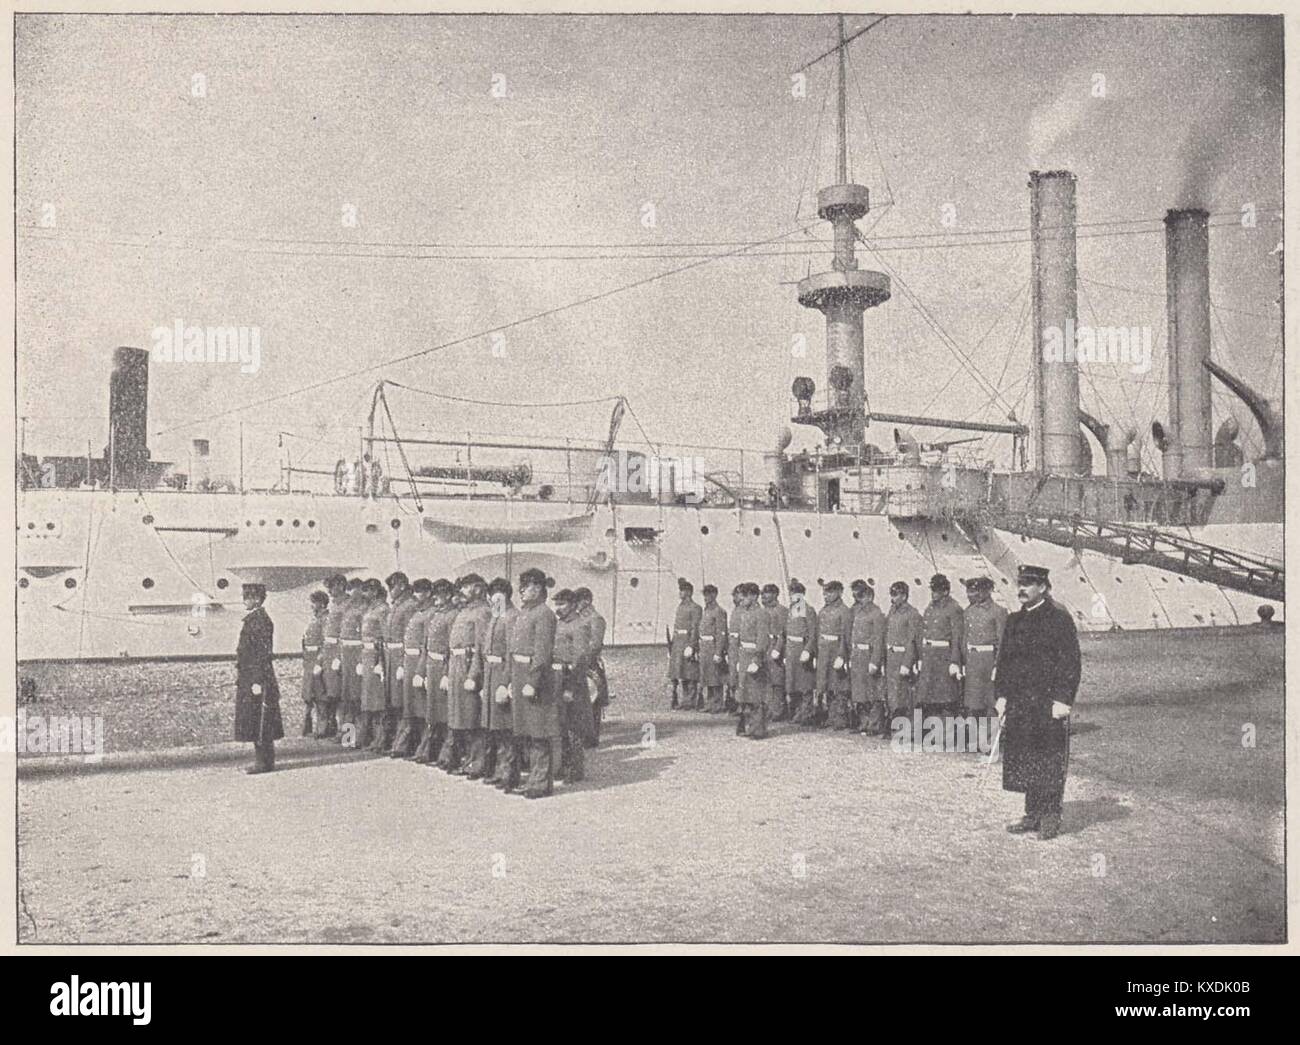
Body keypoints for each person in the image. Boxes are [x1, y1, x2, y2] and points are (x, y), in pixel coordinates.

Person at [996, 565, 1081, 841]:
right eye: (1020, 583)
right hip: (1021, 704)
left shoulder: (1059, 619)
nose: (1021, 588)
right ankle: (1031, 813)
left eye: (1028, 584)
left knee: (1049, 758)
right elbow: (1005, 662)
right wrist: (1002, 695)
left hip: (1047, 704)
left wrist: (1063, 699)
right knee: (1025, 757)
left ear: (1043, 587)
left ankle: (1050, 816)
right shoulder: (1013, 621)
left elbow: (1070, 663)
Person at [509, 568, 560, 798]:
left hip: (535, 679)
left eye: (526, 586)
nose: (521, 590)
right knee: (527, 731)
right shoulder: (526, 613)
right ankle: (533, 779)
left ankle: (540, 783)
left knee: (539, 732)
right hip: (520, 675)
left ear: (538, 588)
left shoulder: (544, 615)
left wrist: (533, 680)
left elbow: (542, 652)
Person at [442, 574, 491, 774]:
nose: (461, 591)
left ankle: (477, 763)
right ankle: (463, 759)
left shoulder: (483, 613)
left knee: (472, 717)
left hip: (469, 666)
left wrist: (474, 675)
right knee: (458, 716)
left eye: (466, 587)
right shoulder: (464, 612)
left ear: (478, 589)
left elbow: (481, 648)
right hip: (456, 665)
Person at [234, 583, 283, 774]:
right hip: (251, 676)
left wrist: (257, 680)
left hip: (257, 678)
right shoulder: (254, 619)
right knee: (255, 719)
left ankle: (264, 763)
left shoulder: (260, 620)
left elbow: (262, 654)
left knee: (261, 720)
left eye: (247, 596)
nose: (244, 599)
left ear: (256, 599)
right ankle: (262, 760)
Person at [479, 577, 520, 787]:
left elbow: (512, 653)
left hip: (502, 675)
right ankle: (497, 769)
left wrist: (505, 683)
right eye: (492, 593)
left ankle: (509, 774)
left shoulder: (512, 617)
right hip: (490, 675)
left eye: (497, 593)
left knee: (505, 727)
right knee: (493, 727)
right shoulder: (496, 616)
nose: (493, 598)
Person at [553, 588, 595, 783]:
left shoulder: (579, 625)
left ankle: (575, 769)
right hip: (558, 677)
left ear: (571, 604)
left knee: (573, 729)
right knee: (561, 726)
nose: (558, 608)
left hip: (572, 679)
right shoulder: (559, 624)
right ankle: (562, 766)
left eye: (561, 604)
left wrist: (570, 687)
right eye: (557, 604)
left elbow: (580, 659)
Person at [390, 578, 434, 758]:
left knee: (422, 707)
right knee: (409, 705)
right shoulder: (417, 612)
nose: (416, 595)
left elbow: (426, 644)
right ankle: (407, 745)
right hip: (409, 660)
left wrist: (421, 670)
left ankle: (422, 748)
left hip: (419, 661)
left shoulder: (429, 613)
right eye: (415, 591)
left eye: (420, 592)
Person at [413, 579, 456, 764]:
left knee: (445, 713)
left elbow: (451, 649)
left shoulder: (452, 616)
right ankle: (428, 750)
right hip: (431, 666)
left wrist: (447, 674)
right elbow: (425, 647)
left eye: (441, 594)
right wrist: (420, 671)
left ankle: (445, 755)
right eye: (436, 594)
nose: (438, 598)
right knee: (432, 712)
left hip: (442, 667)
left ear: (448, 596)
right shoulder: (435, 616)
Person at [917, 573, 965, 733]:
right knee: (928, 696)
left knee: (945, 698)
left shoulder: (954, 609)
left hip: (943, 658)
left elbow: (957, 637)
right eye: (933, 589)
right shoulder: (930, 607)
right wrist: (921, 657)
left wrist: (954, 661)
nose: (934, 593)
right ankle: (931, 731)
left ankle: (947, 734)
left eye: (937, 590)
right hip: (929, 657)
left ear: (946, 591)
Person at [962, 576, 1007, 742]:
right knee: (973, 702)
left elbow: (1002, 641)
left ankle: (989, 739)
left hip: (988, 660)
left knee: (989, 701)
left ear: (989, 590)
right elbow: (964, 639)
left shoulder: (999, 611)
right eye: (976, 590)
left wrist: (998, 665)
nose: (978, 593)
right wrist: (963, 661)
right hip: (972, 660)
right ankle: (974, 739)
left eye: (982, 589)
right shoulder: (969, 612)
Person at [376, 571, 417, 753]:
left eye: (392, 587)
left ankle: (402, 745)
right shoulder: (397, 606)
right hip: (389, 658)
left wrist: (402, 664)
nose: (390, 591)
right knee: (392, 701)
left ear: (401, 585)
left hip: (400, 657)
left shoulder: (409, 606)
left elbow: (410, 638)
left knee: (402, 703)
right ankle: (392, 741)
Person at [848, 580, 888, 735]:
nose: (860, 599)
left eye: (863, 596)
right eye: (859, 596)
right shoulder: (859, 612)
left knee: (873, 693)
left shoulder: (876, 614)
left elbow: (878, 640)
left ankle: (875, 724)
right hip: (858, 656)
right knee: (860, 692)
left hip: (868, 656)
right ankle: (864, 723)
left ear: (870, 596)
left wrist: (875, 661)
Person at [884, 581, 923, 731]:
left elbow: (912, 640)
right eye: (891, 594)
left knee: (905, 695)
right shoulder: (892, 611)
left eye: (895, 595)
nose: (892, 598)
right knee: (893, 694)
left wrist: (907, 663)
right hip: (892, 657)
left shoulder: (912, 614)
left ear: (904, 596)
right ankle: (896, 725)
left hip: (902, 658)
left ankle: (908, 727)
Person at [733, 582, 770, 738]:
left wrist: (757, 659)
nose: (742, 598)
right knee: (745, 694)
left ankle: (759, 729)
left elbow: (762, 638)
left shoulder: (761, 613)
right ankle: (749, 726)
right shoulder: (745, 613)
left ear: (754, 596)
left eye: (746, 595)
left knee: (756, 694)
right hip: (744, 654)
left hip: (754, 656)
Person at [575, 587, 610, 744]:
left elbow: (595, 645)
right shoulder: (578, 618)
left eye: (578, 601)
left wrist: (582, 661)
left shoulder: (596, 619)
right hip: (578, 664)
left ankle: (591, 737)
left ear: (587, 601)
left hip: (590, 666)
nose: (576, 604)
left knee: (592, 701)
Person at [816, 580, 853, 729]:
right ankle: (831, 716)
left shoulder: (844, 611)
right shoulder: (823, 611)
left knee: (839, 687)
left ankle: (840, 719)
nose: (826, 596)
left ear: (839, 593)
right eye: (825, 593)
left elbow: (846, 636)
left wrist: (842, 656)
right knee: (827, 686)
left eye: (830, 593)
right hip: (824, 653)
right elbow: (819, 633)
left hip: (836, 651)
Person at [358, 578, 390, 750]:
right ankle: (371, 739)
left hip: (376, 656)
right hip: (367, 655)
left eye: (367, 591)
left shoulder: (383, 610)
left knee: (378, 701)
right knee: (369, 700)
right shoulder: (371, 609)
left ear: (375, 592)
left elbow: (385, 637)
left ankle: (381, 740)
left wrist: (380, 662)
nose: (365, 594)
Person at [783, 578, 817, 722]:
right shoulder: (790, 610)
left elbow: (813, 633)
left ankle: (806, 713)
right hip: (791, 651)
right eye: (792, 593)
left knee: (805, 684)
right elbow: (786, 633)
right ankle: (796, 712)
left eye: (797, 593)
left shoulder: (808, 610)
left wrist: (808, 650)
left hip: (802, 650)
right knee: (792, 684)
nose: (794, 596)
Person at [338, 577, 367, 745]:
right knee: (347, 697)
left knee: (357, 698)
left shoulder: (364, 610)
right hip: (346, 655)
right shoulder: (348, 608)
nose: (350, 592)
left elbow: (366, 638)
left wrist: (360, 661)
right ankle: (347, 736)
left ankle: (359, 737)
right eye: (349, 589)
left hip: (357, 655)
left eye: (354, 589)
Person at [320, 574, 348, 740]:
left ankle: (348, 736)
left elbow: (344, 635)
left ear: (341, 586)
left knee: (346, 697)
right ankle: (335, 729)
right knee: (333, 694)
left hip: (341, 655)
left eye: (332, 587)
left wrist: (338, 656)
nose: (329, 591)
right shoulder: (335, 605)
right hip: (329, 653)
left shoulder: (347, 605)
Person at [668, 577, 702, 709]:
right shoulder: (680, 607)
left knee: (690, 673)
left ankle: (691, 700)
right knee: (680, 672)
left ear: (688, 592)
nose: (680, 593)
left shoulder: (695, 608)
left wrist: (692, 646)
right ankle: (684, 700)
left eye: (682, 591)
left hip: (687, 642)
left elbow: (695, 628)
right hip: (678, 643)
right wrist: (671, 645)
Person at [301, 590, 329, 737]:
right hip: (309, 660)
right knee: (308, 695)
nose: (311, 606)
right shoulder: (315, 619)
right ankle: (310, 728)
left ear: (321, 603)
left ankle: (322, 729)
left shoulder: (325, 620)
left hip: (317, 660)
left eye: (314, 602)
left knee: (320, 697)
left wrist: (320, 661)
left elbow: (326, 643)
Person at [698, 584, 728, 713]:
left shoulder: (719, 611)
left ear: (714, 595)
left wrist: (718, 652)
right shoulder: (706, 611)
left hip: (713, 646)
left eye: (709, 594)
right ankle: (709, 703)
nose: (706, 597)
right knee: (706, 676)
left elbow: (721, 633)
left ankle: (718, 703)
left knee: (716, 676)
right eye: (705, 594)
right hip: (704, 647)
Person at [761, 583, 788, 723]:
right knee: (767, 681)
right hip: (764, 646)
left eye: (768, 593)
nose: (764, 596)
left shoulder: (781, 611)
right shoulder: (763, 611)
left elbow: (783, 633)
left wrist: (778, 649)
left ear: (775, 594)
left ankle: (779, 710)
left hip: (775, 647)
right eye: (763, 593)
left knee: (777, 681)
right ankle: (770, 709)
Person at [725, 585, 743, 713]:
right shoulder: (735, 610)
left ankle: (741, 704)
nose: (734, 598)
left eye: (736, 595)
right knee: (732, 677)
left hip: (741, 648)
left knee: (740, 677)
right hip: (732, 647)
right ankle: (734, 702)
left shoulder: (745, 611)